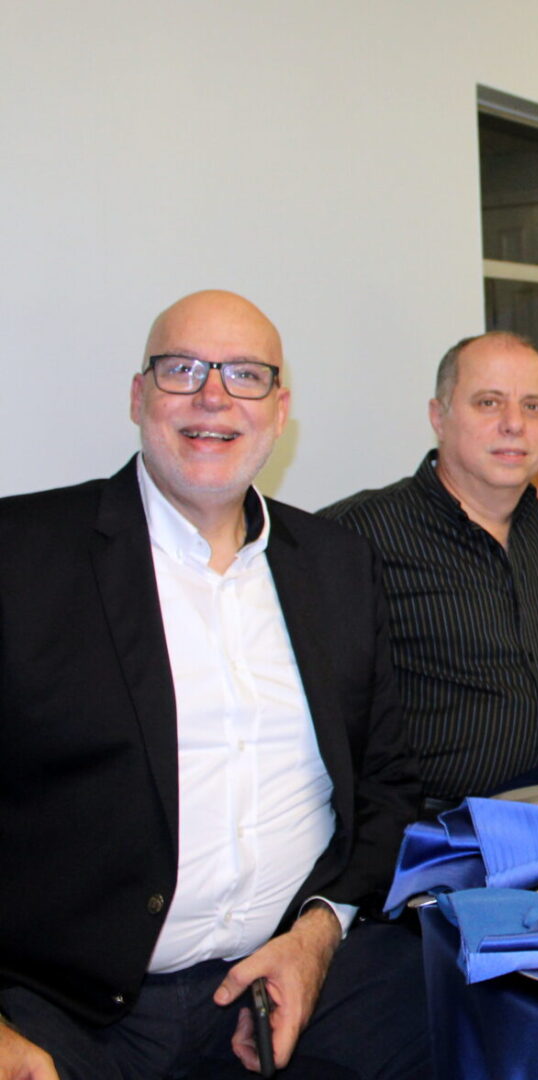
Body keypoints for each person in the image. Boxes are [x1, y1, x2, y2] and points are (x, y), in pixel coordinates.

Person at [0, 291, 426, 1078]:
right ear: (138, 396)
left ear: (280, 409)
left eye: (245, 375)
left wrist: (317, 937)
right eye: (182, 369)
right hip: (73, 1012)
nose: (213, 396)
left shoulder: (339, 565)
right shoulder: (22, 558)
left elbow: (388, 787)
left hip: (296, 977)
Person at [325, 331, 538, 808]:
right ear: (439, 417)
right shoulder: (357, 535)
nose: (514, 425)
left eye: (534, 407)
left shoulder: (530, 524)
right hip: (437, 846)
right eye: (488, 403)